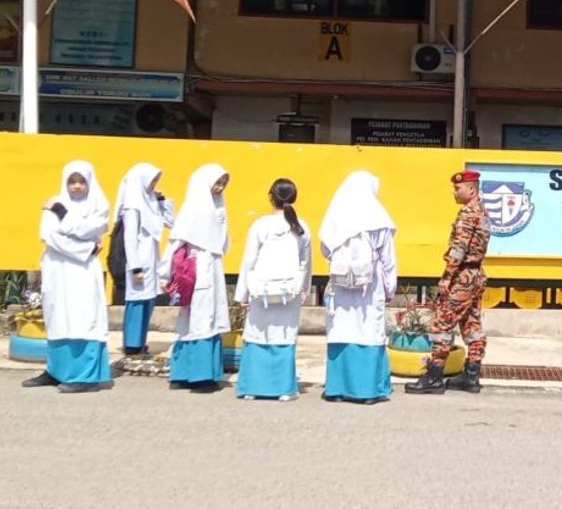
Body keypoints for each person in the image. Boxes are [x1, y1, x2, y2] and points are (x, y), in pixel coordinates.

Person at [23, 160, 113, 393]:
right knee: (58, 317)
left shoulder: (98, 206)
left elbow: (90, 230)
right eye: (72, 181)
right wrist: (86, 248)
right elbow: (48, 235)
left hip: (82, 273)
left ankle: (85, 376)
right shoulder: (54, 201)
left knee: (82, 318)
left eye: (82, 181)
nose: (76, 186)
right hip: (57, 270)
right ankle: (56, 370)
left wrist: (62, 214)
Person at [406, 170, 490, 395]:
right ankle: (472, 375)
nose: (454, 192)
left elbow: (458, 250)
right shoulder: (482, 212)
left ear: (471, 189)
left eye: (458, 188)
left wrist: (446, 277)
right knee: (472, 325)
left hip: (462, 277)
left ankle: (434, 376)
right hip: (476, 275)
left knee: (441, 324)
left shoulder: (467, 214)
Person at [318, 170, 397, 405]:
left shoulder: (334, 218)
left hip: (341, 288)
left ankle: (336, 389)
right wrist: (390, 287)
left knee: (341, 329)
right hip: (369, 289)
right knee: (368, 331)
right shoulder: (379, 220)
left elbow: (325, 250)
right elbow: (388, 258)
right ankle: (366, 391)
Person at [233, 178, 312, 401]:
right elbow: (306, 262)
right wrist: (304, 289)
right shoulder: (301, 227)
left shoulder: (260, 225)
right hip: (289, 291)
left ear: (271, 197)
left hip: (261, 291)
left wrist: (242, 294)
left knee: (258, 333)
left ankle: (252, 387)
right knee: (284, 334)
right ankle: (283, 388)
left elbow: (249, 260)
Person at [160, 163, 231, 392]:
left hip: (210, 268)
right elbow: (175, 243)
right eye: (216, 183)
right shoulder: (192, 209)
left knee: (204, 318)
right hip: (194, 270)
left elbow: (223, 244)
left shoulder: (219, 208)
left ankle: (193, 373)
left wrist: (221, 222)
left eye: (223, 184)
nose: (219, 188)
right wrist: (164, 274)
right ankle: (194, 375)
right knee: (195, 319)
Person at [112, 163, 175, 356]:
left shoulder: (150, 203)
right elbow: (130, 239)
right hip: (138, 260)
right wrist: (135, 267)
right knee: (137, 301)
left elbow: (170, 222)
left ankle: (140, 341)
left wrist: (162, 200)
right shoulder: (133, 206)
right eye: (151, 181)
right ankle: (132, 344)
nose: (154, 184)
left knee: (148, 300)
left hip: (152, 257)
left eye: (156, 181)